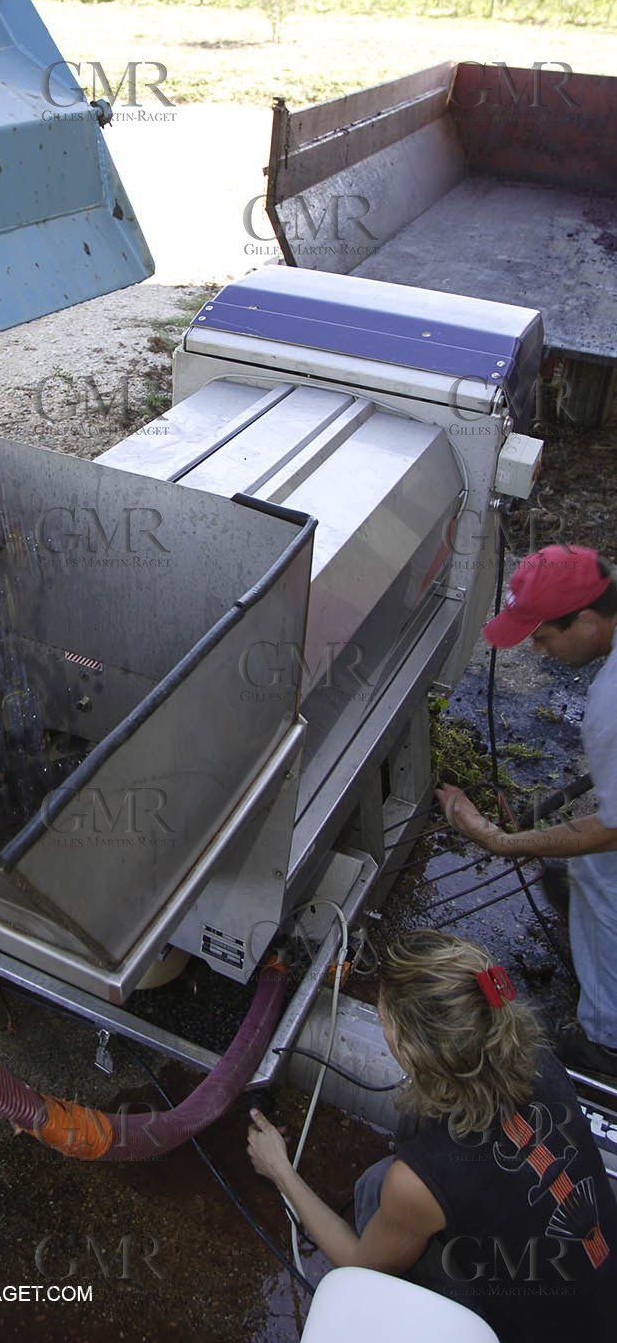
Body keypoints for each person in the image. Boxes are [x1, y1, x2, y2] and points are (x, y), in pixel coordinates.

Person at [246, 929, 617, 1340]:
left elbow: (357, 1266)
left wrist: (280, 1170)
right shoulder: (538, 1059)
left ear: (410, 1050)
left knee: (376, 1192)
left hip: (534, 1331)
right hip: (600, 1291)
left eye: (384, 1019)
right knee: (387, 1185)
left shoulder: (418, 1182)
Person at [436, 544, 617, 1076]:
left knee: (605, 876)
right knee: (591, 870)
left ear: (587, 621)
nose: (536, 650)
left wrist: (497, 839)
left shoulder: (611, 706)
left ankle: (606, 1042)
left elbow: (612, 830)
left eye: (542, 636)